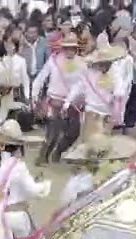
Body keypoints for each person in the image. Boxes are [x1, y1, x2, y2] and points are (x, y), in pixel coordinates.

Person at [29, 35, 84, 164]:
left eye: (72, 48)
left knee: (74, 132)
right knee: (53, 133)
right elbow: (41, 77)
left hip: (73, 103)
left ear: (76, 49)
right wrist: (34, 96)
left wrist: (71, 101)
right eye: (67, 48)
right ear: (63, 48)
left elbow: (80, 85)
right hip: (54, 101)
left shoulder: (82, 64)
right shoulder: (53, 61)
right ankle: (43, 157)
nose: (70, 51)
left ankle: (59, 151)